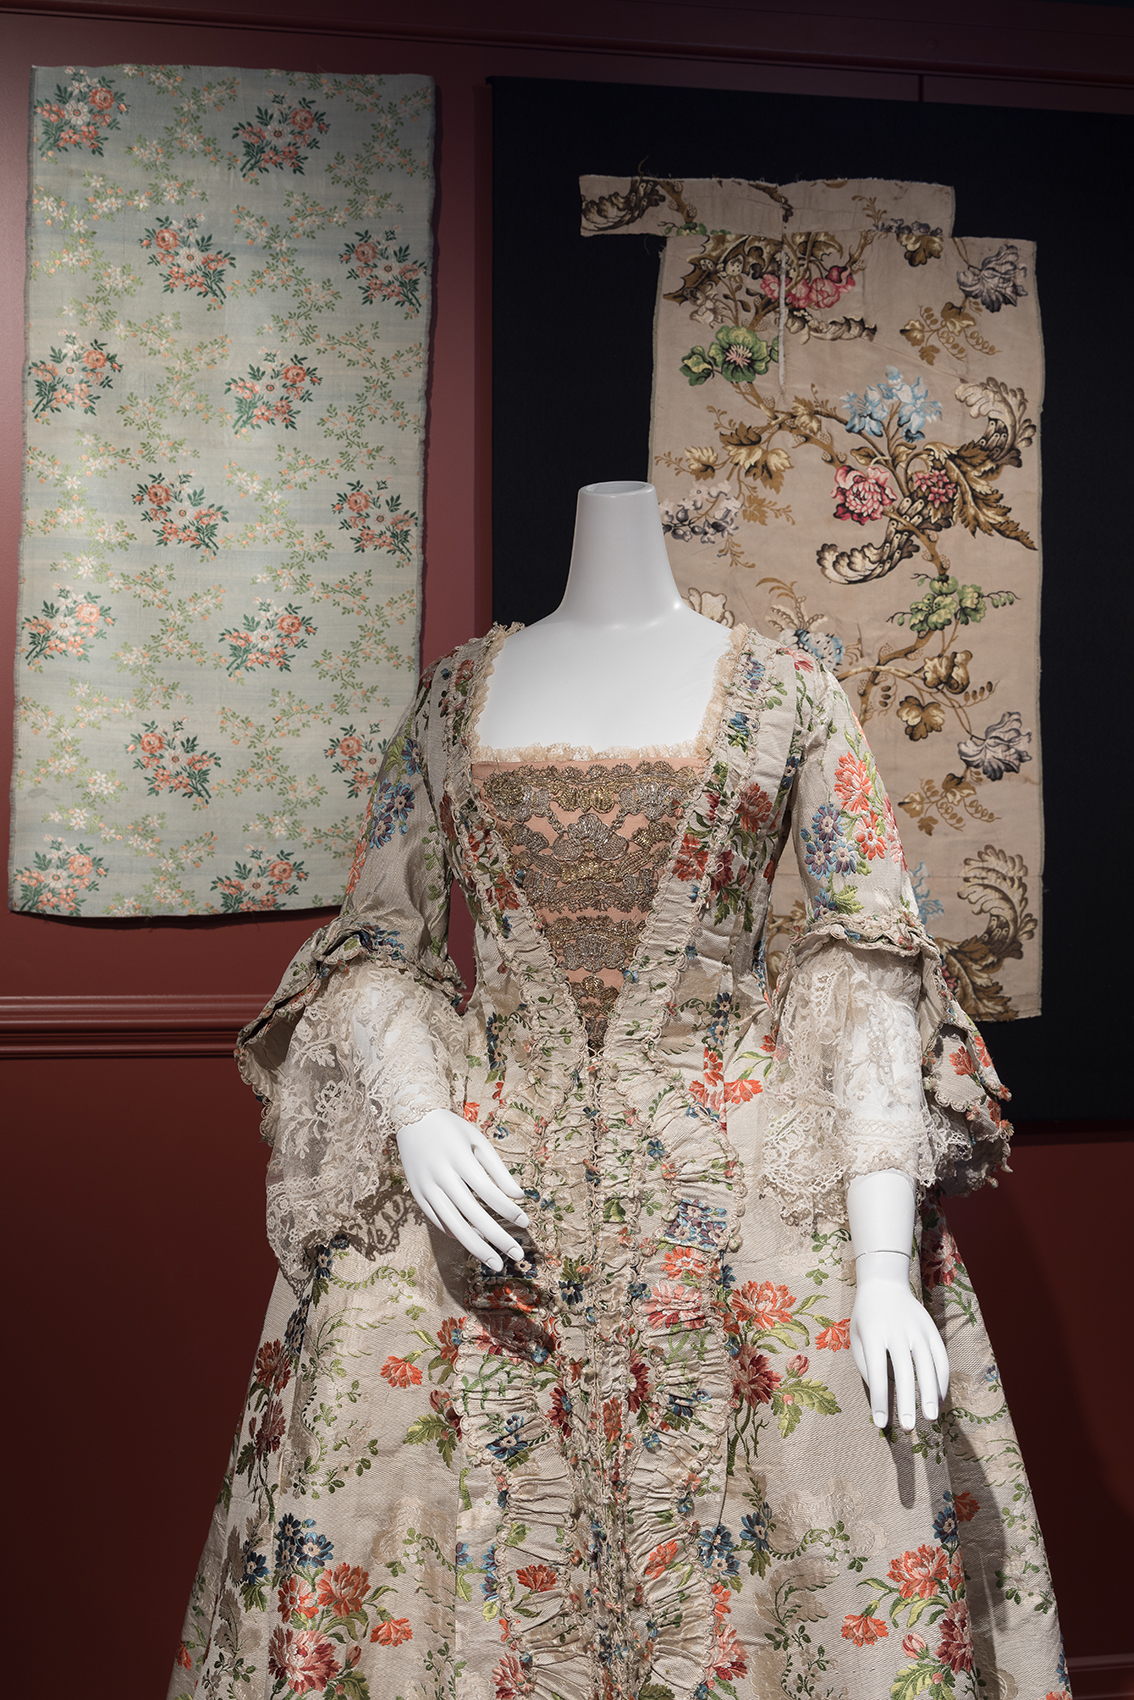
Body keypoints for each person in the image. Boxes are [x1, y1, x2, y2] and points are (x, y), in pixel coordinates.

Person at [171, 481, 1068, 1700]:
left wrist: (872, 1265)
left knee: (818, 1502)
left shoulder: (791, 692)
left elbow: (868, 958)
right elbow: (376, 940)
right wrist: (421, 1113)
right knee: (403, 1504)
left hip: (746, 1179)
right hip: (481, 1180)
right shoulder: (452, 695)